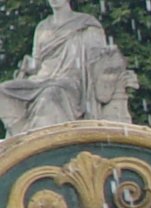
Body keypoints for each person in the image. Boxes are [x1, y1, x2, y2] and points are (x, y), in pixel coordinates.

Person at [0, 0, 136, 137]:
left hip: (69, 80)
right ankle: (20, 136)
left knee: (51, 94)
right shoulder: (42, 27)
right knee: (3, 90)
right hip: (41, 79)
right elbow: (37, 63)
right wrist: (27, 66)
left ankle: (46, 139)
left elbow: (98, 60)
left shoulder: (86, 24)